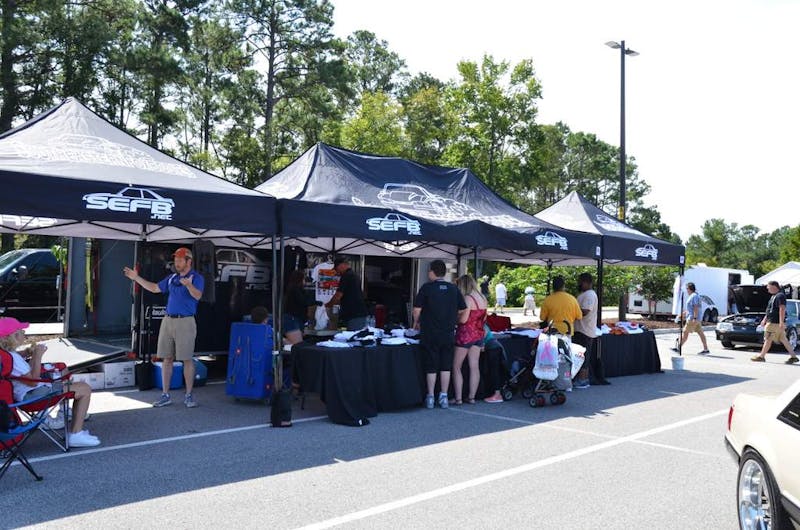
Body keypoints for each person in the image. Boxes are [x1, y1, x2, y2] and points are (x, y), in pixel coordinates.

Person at [0, 317, 100, 447]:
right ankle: (76, 434)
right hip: (34, 396)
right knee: (84, 388)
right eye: (21, 331)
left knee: (63, 373)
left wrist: (27, 353)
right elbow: (33, 382)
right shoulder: (14, 358)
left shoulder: (6, 354)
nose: (24, 333)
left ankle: (65, 412)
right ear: (12, 336)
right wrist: (37, 356)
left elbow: (23, 371)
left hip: (26, 394)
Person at [124, 247, 204, 408]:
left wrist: (189, 285)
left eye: (180, 260)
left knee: (187, 358)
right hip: (168, 320)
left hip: (185, 321)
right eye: (176, 259)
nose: (177, 262)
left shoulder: (197, 277)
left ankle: (188, 396)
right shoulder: (172, 278)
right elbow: (154, 288)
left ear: (189, 261)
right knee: (166, 358)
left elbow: (198, 295)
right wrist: (136, 278)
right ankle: (165, 395)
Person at [413, 260, 467, 409]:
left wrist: (415, 323)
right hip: (448, 333)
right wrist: (454, 320)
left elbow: (417, 310)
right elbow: (463, 309)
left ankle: (430, 396)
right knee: (445, 365)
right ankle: (443, 396)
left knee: (431, 364)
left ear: (432, 271)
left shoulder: (426, 288)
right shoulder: (453, 289)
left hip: (430, 333)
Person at [452, 274, 487, 405]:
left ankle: (458, 398)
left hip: (465, 335)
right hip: (478, 334)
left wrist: (456, 317)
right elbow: (484, 319)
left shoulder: (467, 299)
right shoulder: (482, 298)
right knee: (474, 366)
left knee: (456, 366)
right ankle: (471, 397)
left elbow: (463, 320)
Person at [572, 273, 609, 388]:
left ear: (587, 282)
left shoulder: (590, 295)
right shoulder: (585, 294)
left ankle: (583, 380)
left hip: (585, 330)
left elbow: (585, 311)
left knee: (583, 356)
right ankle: (581, 378)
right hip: (581, 329)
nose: (579, 284)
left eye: (580, 282)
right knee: (581, 355)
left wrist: (572, 313)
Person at [751, 281, 799, 363]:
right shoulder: (774, 296)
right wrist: (764, 319)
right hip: (773, 321)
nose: (767, 289)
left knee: (768, 339)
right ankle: (793, 357)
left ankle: (761, 356)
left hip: (774, 322)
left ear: (774, 287)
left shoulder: (780, 296)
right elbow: (770, 310)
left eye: (768, 287)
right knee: (784, 339)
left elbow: (782, 309)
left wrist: (781, 322)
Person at [325, 257, 368, 330]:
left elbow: (338, 295)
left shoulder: (346, 276)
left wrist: (328, 305)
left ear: (342, 265)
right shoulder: (353, 275)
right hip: (356, 313)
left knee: (353, 336)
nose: (337, 272)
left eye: (336, 268)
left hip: (354, 314)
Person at [671, 282, 710, 355]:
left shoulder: (694, 296)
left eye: (687, 289)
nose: (686, 290)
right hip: (696, 319)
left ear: (690, 289)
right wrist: (680, 315)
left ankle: (678, 348)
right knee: (701, 333)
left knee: (685, 333)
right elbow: (690, 309)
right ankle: (706, 349)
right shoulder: (694, 296)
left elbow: (695, 307)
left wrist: (694, 318)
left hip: (692, 319)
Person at [282, 269, 319, 345]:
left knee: (298, 344)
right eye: (303, 279)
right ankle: (278, 340)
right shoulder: (295, 289)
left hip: (297, 318)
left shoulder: (296, 289)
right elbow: (303, 302)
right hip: (292, 318)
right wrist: (316, 302)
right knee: (297, 344)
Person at [481, 324, 506, 404]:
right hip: (493, 347)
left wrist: (482, 345)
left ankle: (497, 394)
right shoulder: (481, 323)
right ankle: (495, 393)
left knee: (494, 371)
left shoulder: (481, 324)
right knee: (492, 371)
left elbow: (483, 336)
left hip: (493, 348)